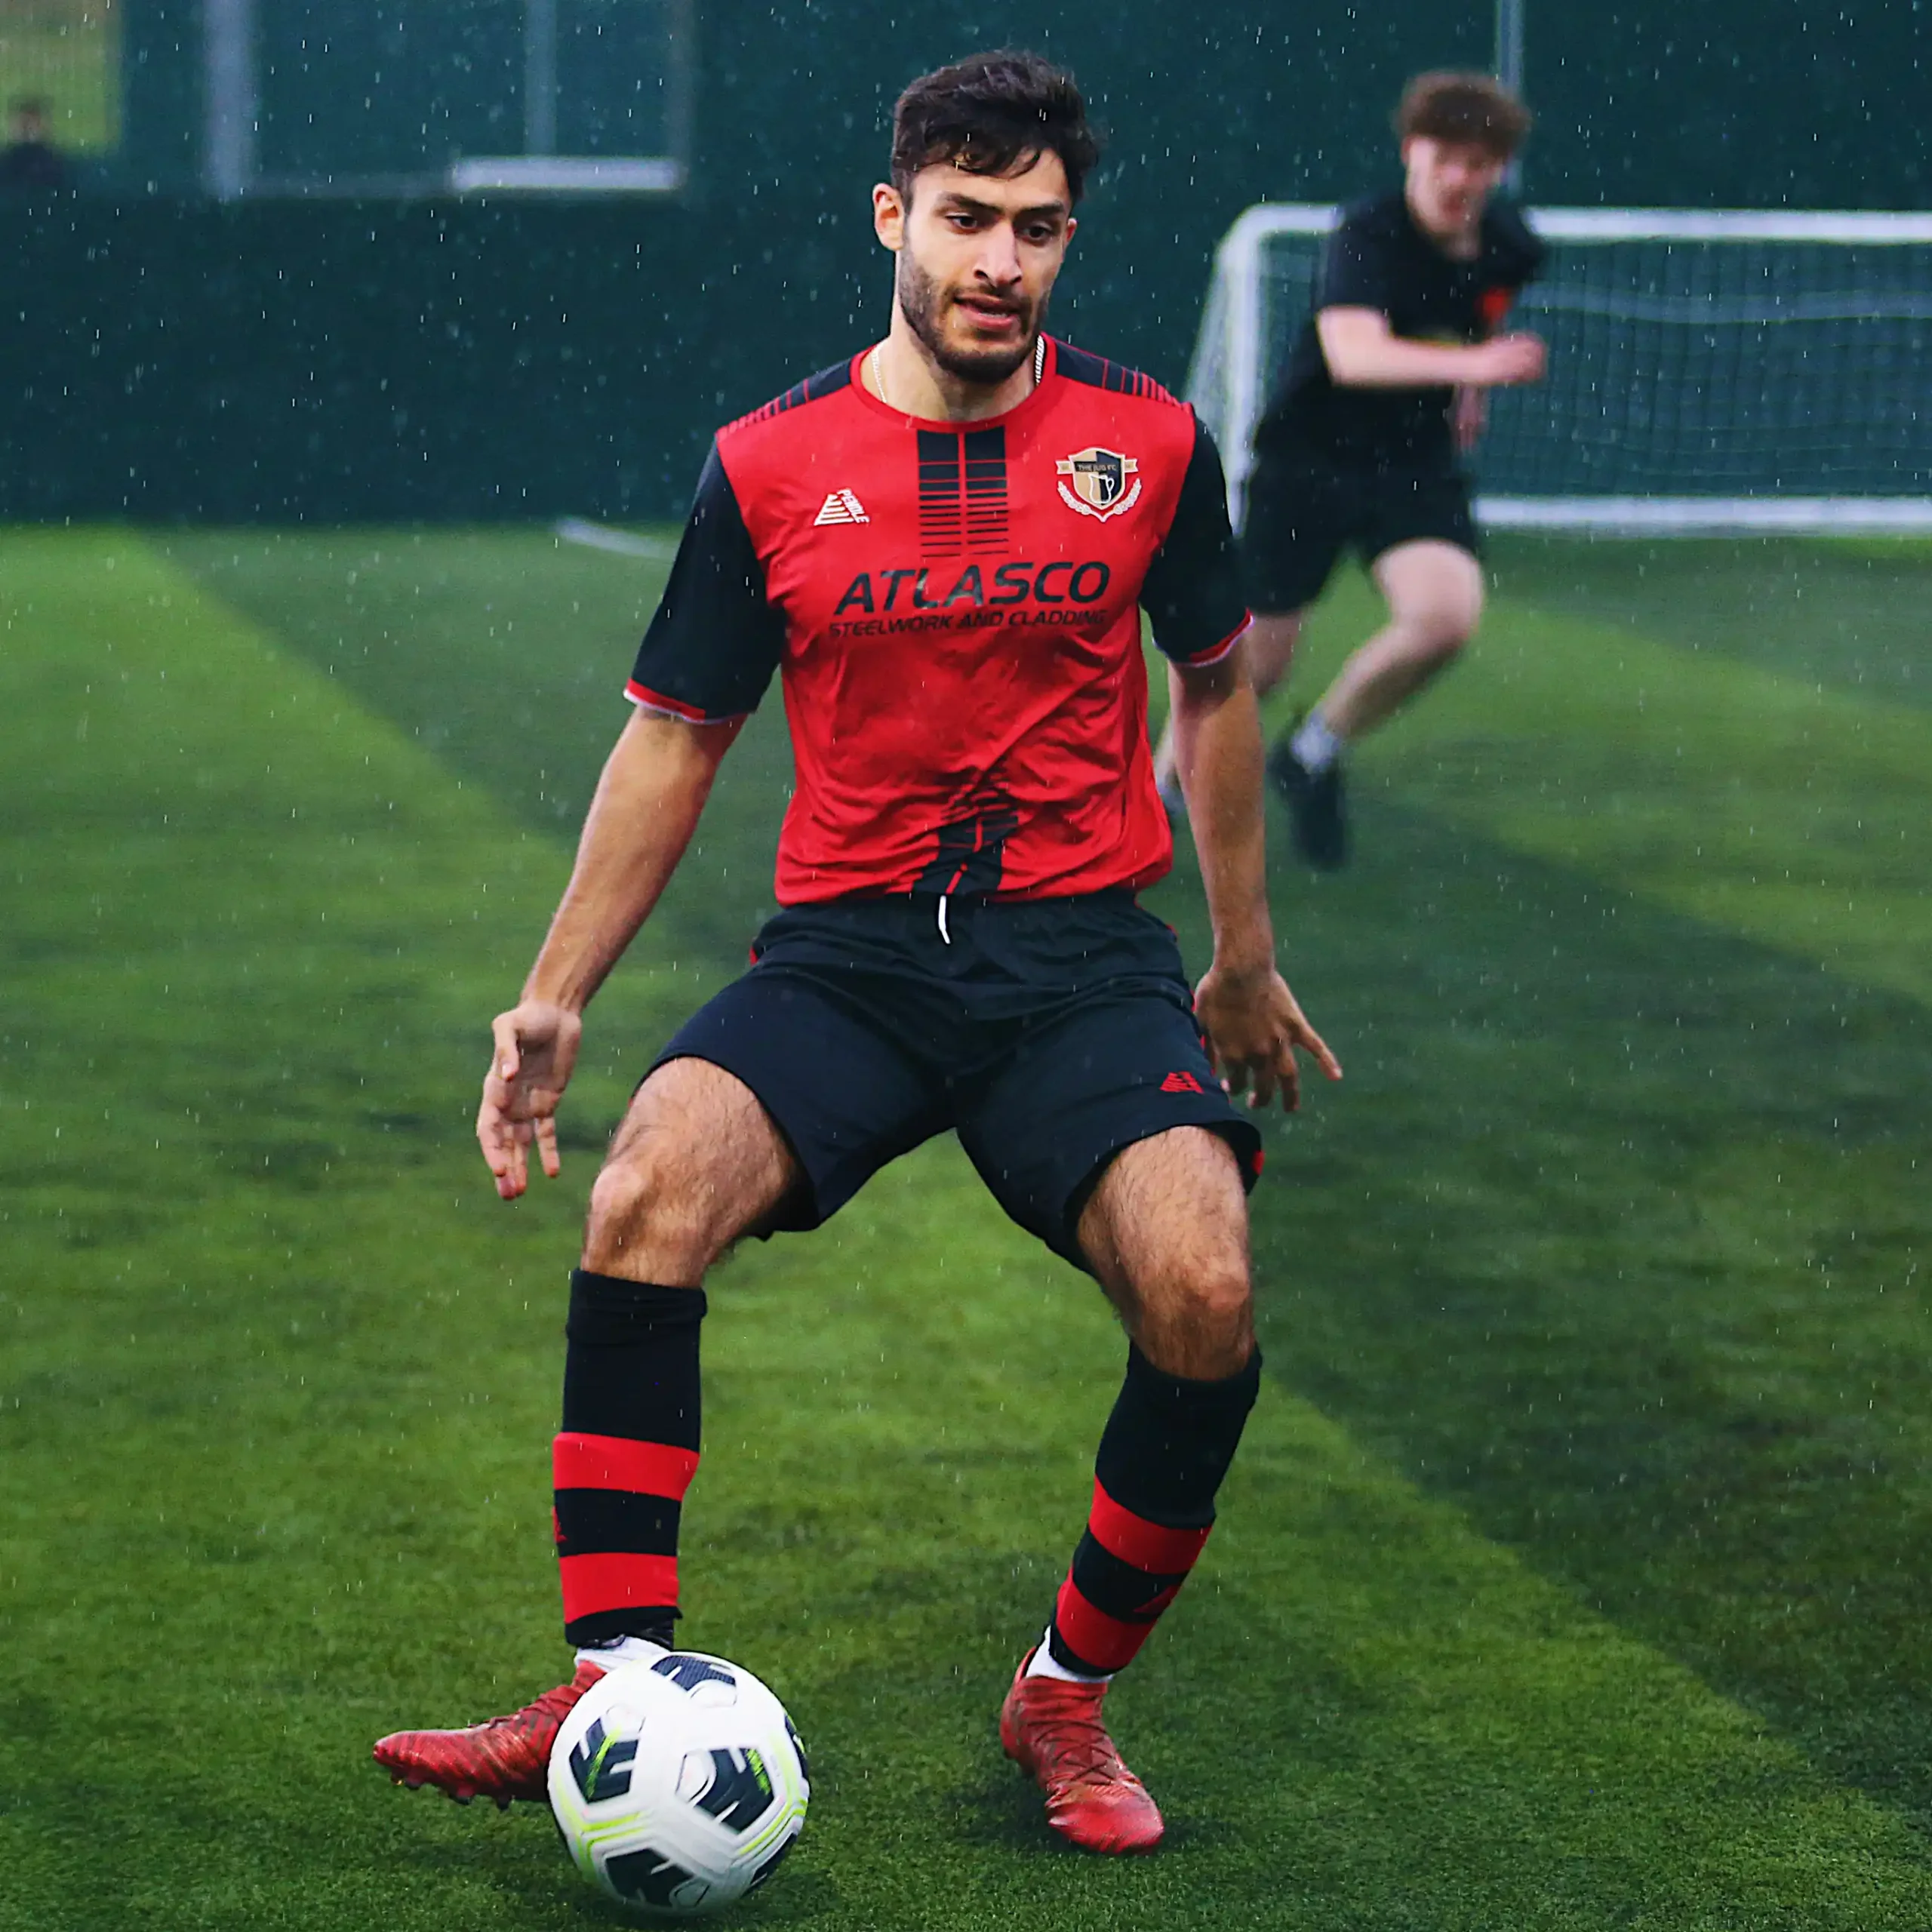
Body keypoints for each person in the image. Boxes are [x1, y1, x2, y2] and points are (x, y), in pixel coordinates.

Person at [373, 49, 1339, 1858]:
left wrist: (1235, 951)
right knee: (645, 1191)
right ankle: (608, 1684)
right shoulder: (768, 461)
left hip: (1076, 959)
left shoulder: (1148, 443)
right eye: (967, 218)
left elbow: (1212, 683)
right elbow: (673, 734)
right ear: (895, 216)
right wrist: (551, 994)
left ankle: (1063, 1687)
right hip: (850, 955)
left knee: (1202, 1289)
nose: (1000, 259)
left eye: (1036, 229)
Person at [1154, 71, 1546, 869]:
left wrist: (1465, 383)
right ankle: (1153, 804)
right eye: (1446, 159)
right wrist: (1480, 364)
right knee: (1247, 668)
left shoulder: (1509, 243)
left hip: (1412, 464)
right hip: (1310, 461)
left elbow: (1475, 309)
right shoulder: (1369, 233)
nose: (1461, 179)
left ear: (1499, 168)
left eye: (1480, 162)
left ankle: (1312, 751)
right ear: (1411, 152)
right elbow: (1353, 353)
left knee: (1444, 617)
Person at [0, 97, 68, 192]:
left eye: (30, 124)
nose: (27, 129)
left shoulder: (50, 162)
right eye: (24, 123)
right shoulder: (52, 162)